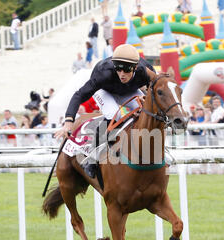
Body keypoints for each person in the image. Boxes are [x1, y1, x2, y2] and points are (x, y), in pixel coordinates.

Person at [55, 43, 156, 178]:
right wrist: (68, 122)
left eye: (126, 69)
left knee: (144, 112)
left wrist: (148, 98)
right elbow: (79, 95)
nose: (121, 74)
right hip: (104, 91)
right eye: (118, 68)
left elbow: (156, 91)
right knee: (115, 113)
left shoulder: (146, 71)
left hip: (129, 91)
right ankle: (91, 158)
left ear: (136, 67)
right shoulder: (105, 73)